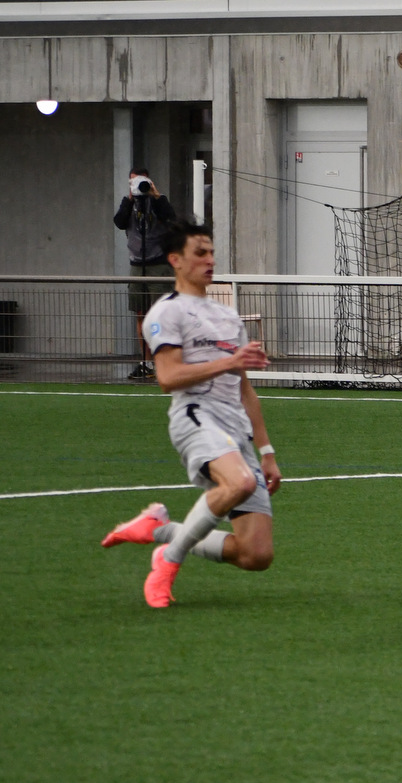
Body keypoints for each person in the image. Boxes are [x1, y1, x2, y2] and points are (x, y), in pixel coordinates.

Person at [99, 221, 280, 608]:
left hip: (235, 429)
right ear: (175, 260)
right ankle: (169, 559)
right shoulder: (167, 312)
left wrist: (266, 451)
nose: (210, 260)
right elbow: (168, 378)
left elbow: (245, 390)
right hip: (196, 417)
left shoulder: (228, 317)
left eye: (212, 252)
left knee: (256, 554)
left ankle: (160, 530)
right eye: (200, 253)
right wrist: (229, 361)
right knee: (239, 482)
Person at [113, 168, 178, 380]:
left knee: (161, 314)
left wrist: (156, 196)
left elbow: (171, 218)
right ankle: (146, 362)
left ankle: (164, 361)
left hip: (158, 264)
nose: (137, 185)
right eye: (133, 181)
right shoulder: (128, 204)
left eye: (141, 181)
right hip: (137, 265)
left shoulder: (158, 202)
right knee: (140, 313)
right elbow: (119, 222)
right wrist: (129, 199)